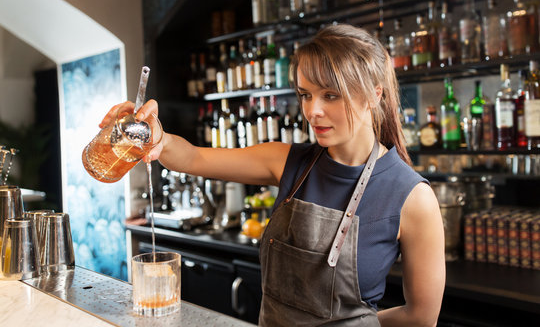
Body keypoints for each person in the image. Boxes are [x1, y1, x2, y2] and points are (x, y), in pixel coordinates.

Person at [101, 24, 445, 326]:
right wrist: (154, 135)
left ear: (375, 94)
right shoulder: (287, 162)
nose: (313, 111)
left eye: (330, 95)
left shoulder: (411, 196)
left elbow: (421, 316)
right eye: (305, 95)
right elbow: (190, 157)